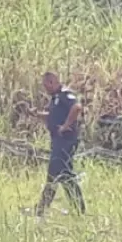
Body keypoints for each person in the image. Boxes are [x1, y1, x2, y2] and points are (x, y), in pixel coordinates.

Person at [29, 72, 87, 216]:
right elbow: (53, 116)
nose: (45, 89)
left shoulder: (65, 94)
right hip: (57, 141)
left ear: (52, 82)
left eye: (46, 86)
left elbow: (77, 107)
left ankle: (41, 210)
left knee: (55, 174)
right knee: (65, 175)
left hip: (65, 141)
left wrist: (66, 125)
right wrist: (37, 114)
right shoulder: (55, 99)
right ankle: (79, 209)